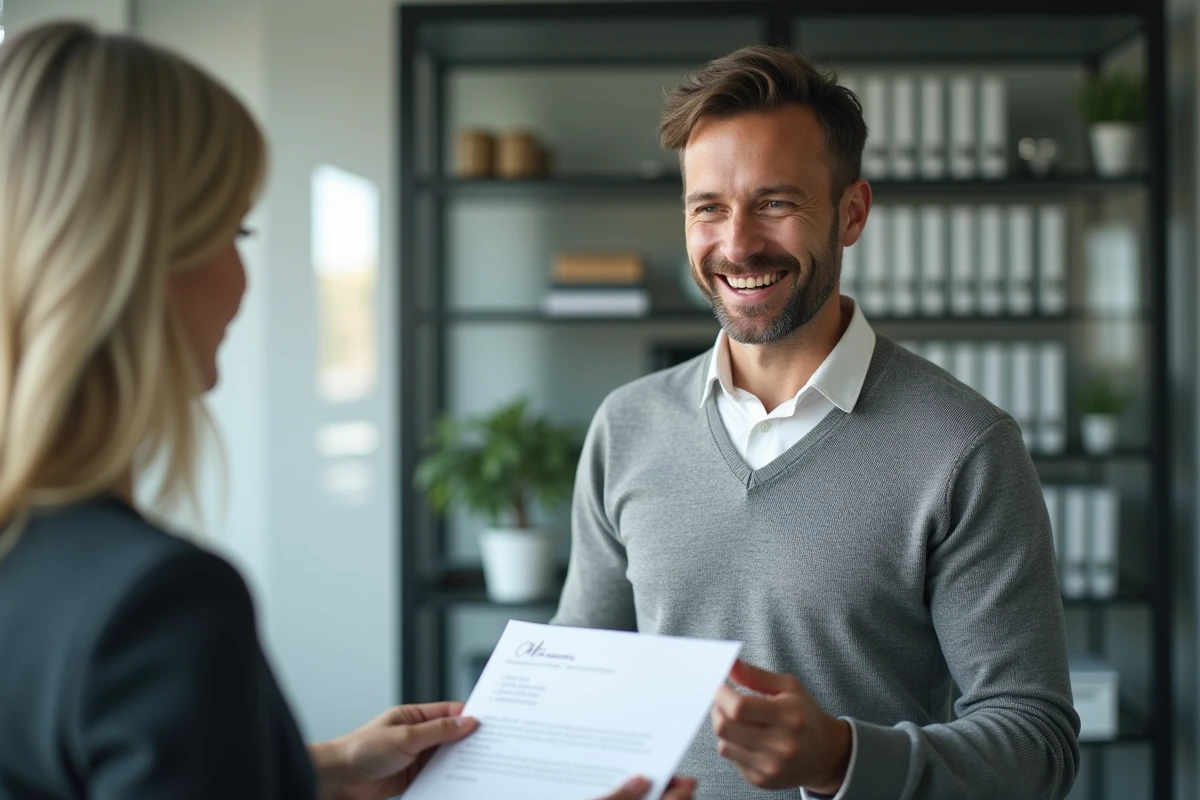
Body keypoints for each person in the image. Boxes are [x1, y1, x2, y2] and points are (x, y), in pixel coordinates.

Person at [0, 23, 696, 800]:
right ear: (148, 259)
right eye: (234, 230)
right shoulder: (156, 605)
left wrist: (317, 771)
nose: (242, 278)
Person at [552, 45, 1081, 800]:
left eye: (775, 203)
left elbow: (1038, 743)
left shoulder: (965, 449)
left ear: (852, 212)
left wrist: (843, 757)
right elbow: (584, 675)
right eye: (709, 208)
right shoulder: (626, 427)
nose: (736, 245)